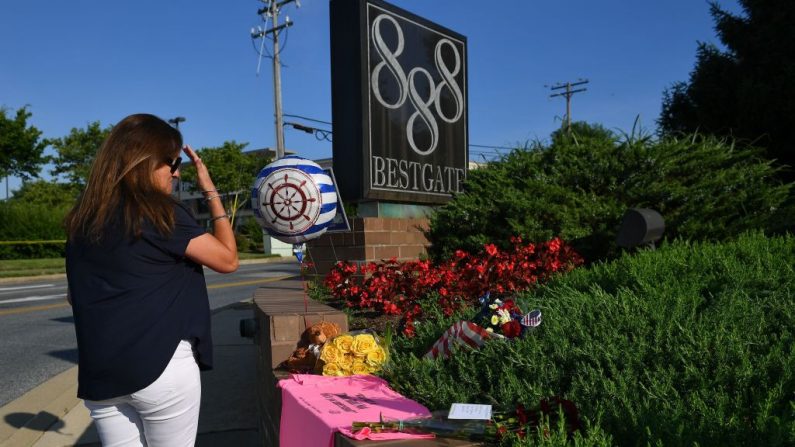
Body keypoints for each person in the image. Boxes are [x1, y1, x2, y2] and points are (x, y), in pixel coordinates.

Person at [64, 113, 238, 446]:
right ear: (144, 163)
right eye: (171, 164)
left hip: (102, 374)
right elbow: (228, 259)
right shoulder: (161, 213)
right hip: (162, 368)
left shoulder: (82, 220)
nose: (176, 173)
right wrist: (210, 190)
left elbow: (76, 296)